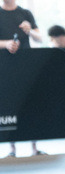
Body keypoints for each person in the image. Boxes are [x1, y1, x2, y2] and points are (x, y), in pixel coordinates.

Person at [2, 0, 44, 158]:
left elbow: (40, 37)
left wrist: (30, 31)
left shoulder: (26, 13)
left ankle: (35, 146)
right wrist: (6, 44)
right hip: (6, 66)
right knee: (10, 106)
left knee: (31, 104)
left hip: (26, 64)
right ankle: (12, 149)